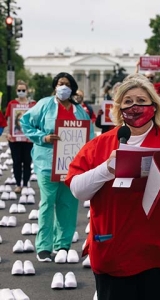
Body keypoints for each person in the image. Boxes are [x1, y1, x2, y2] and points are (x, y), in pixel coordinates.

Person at [65, 73, 160, 300]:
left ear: (154, 106)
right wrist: (106, 169)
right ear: (118, 108)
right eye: (128, 101)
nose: (135, 107)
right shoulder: (99, 145)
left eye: (141, 101)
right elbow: (78, 190)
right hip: (114, 251)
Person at [20, 72, 95, 262]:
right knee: (47, 203)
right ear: (55, 86)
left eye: (67, 84)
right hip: (47, 163)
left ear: (72, 88)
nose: (63, 87)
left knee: (68, 205)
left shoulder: (80, 111)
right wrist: (42, 137)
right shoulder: (44, 105)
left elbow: (91, 136)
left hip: (71, 166)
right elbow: (25, 122)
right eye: (60, 83)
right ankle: (44, 246)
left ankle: (62, 245)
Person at [5, 80, 36, 193]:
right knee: (16, 162)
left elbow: (35, 120)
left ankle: (26, 183)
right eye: (19, 90)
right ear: (16, 91)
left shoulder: (32, 105)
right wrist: (9, 133)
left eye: (23, 90)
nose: (21, 92)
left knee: (27, 161)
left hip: (28, 139)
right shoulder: (12, 104)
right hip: (14, 139)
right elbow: (9, 119)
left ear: (27, 91)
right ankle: (18, 184)